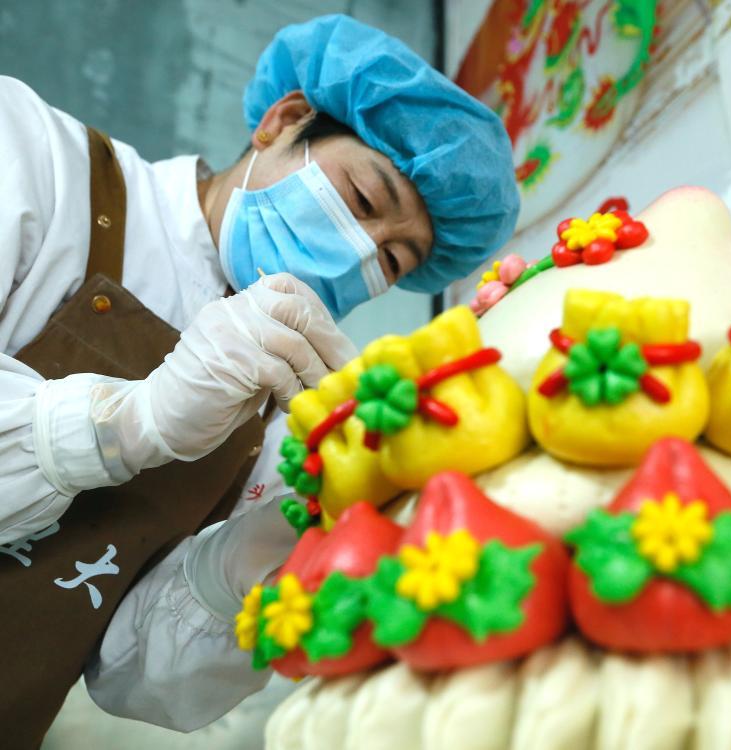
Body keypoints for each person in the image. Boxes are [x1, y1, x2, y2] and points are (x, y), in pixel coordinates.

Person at [0, 14, 518, 745]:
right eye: (365, 201)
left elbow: (127, 675)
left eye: (394, 262)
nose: (358, 258)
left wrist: (259, 553)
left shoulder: (281, 422)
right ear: (285, 121)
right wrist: (129, 425)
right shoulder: (31, 158)